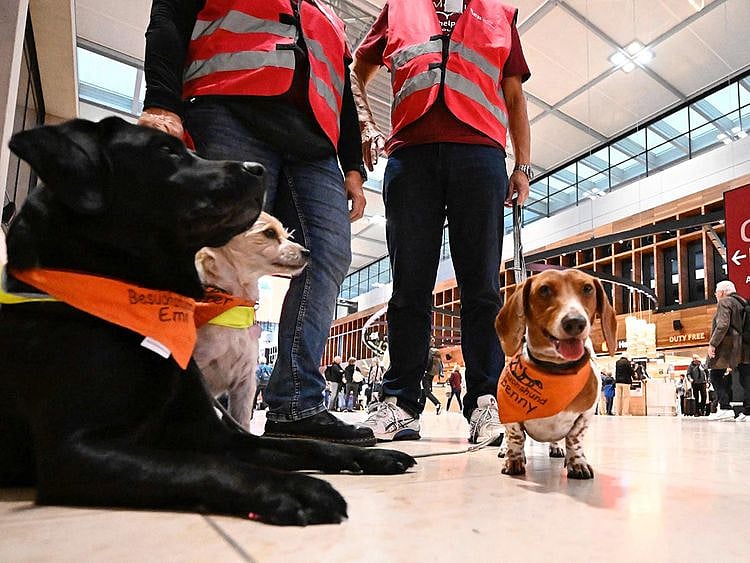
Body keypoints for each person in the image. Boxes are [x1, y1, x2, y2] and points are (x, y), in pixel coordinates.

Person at [139, 0, 375, 446]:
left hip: (316, 144)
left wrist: (352, 168)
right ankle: (175, 396)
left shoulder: (328, 15)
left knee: (326, 254)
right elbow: (170, 15)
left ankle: (296, 404)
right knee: (208, 246)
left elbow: (341, 89)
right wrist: (161, 101)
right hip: (229, 109)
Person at [353, 0, 531, 444]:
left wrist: (522, 166)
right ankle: (401, 404)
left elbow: (514, 95)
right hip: (410, 157)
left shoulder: (500, 13)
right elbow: (356, 67)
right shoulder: (399, 8)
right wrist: (364, 126)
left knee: (483, 289)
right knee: (409, 287)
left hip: (481, 157)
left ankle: (486, 401)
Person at [707, 280, 746, 421]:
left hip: (726, 346)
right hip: (741, 346)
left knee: (715, 375)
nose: (716, 294)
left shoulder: (724, 302)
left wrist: (712, 344)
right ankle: (744, 411)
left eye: (716, 291)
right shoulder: (742, 303)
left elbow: (723, 325)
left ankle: (725, 407)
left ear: (722, 292)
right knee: (744, 378)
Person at [421, 344, 443, 415]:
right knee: (424, 391)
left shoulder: (429, 351)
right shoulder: (435, 352)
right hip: (431, 374)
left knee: (426, 392)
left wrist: (424, 370)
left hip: (426, 373)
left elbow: (428, 360)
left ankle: (437, 404)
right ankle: (420, 410)